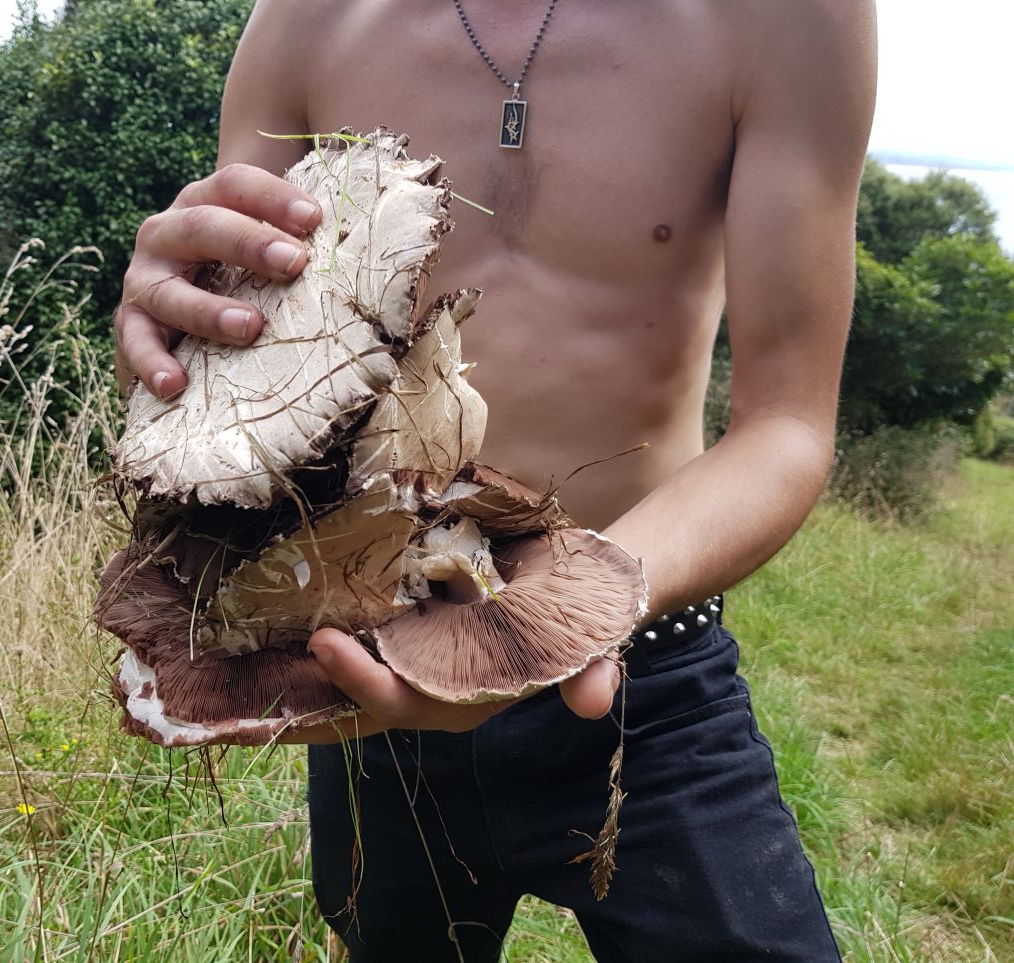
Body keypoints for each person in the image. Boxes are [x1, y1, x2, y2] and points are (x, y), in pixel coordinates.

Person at [115, 1, 877, 958]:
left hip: (645, 671)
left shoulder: (787, 18)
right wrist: (166, 342)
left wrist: (577, 603)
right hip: (368, 672)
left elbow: (788, 424)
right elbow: (235, 381)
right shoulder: (305, 20)